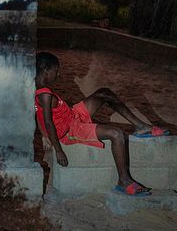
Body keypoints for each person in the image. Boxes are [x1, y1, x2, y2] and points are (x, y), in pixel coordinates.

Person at [34, 51, 169, 197]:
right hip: (71, 130)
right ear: (47, 70)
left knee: (104, 93)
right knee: (117, 134)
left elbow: (38, 114)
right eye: (56, 70)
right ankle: (124, 181)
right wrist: (58, 150)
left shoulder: (37, 88)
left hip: (72, 115)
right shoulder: (45, 94)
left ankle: (141, 126)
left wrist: (43, 135)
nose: (58, 74)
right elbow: (48, 122)